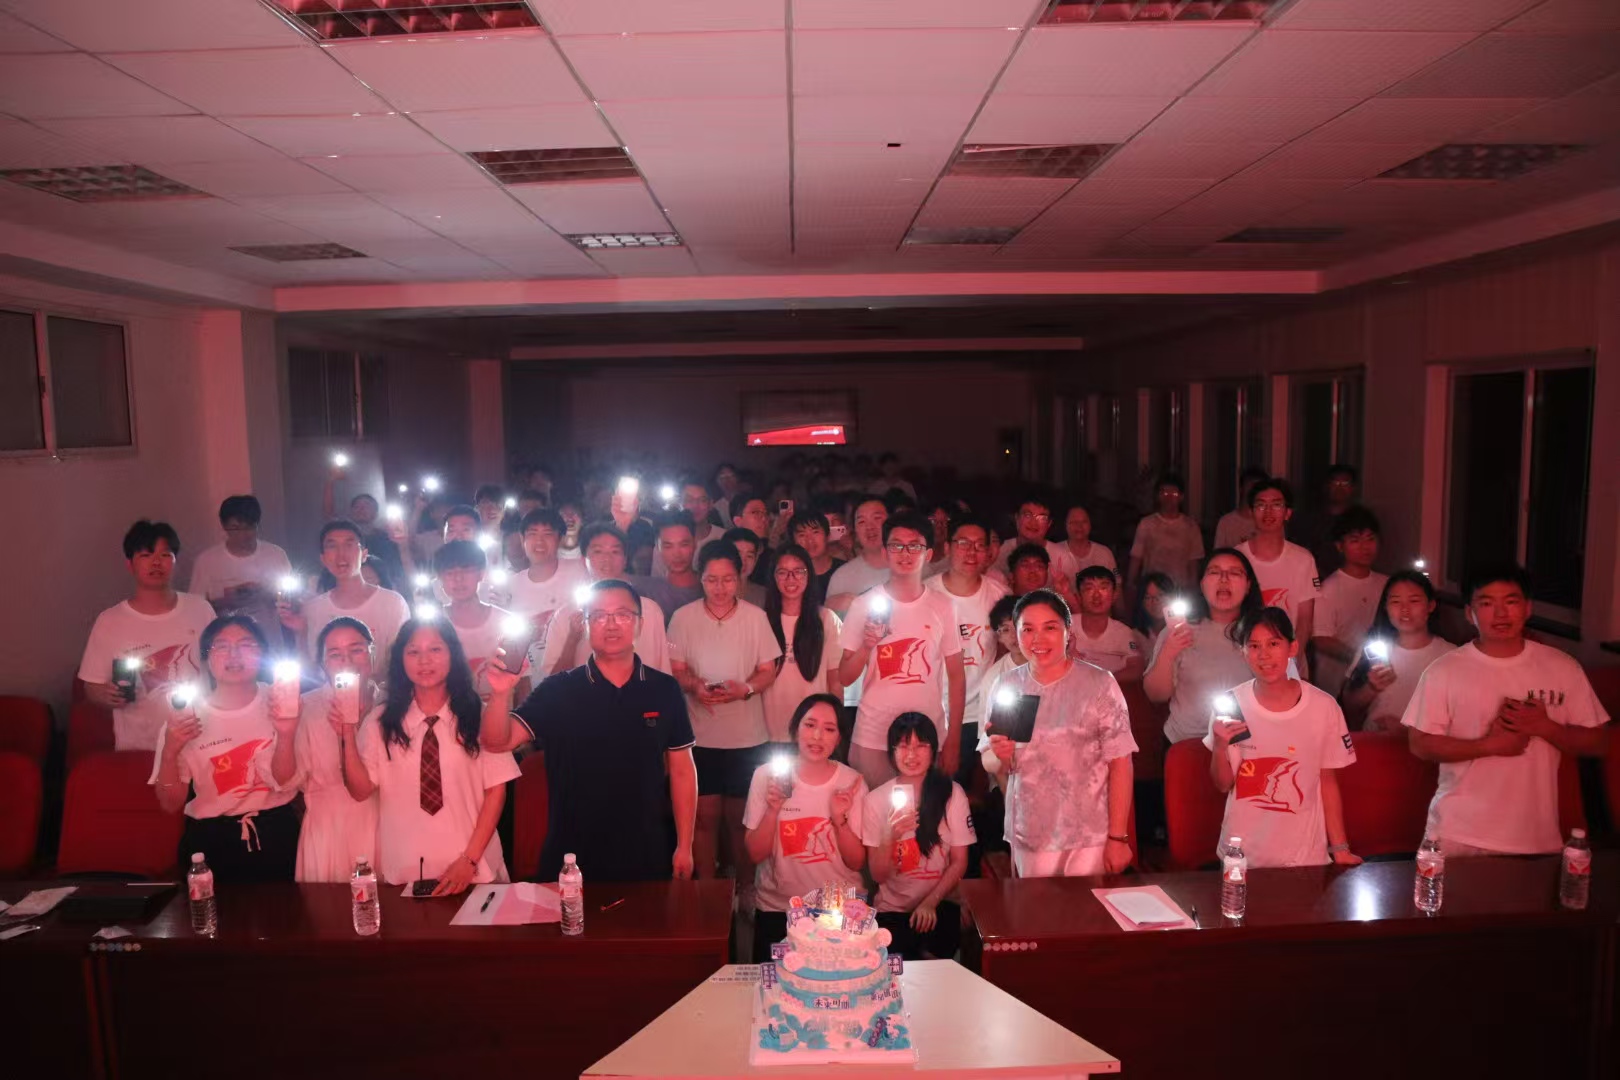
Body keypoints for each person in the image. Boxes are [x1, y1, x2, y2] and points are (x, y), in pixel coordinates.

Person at [484, 579, 698, 882]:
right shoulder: (558, 690)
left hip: (646, 849)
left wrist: (685, 845)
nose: (611, 624)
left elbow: (682, 771)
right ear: (585, 625)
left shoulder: (663, 689)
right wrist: (500, 692)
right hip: (571, 855)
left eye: (622, 614)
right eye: (598, 616)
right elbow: (498, 742)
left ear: (640, 624)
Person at [1402, 564, 1610, 856]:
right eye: (1487, 603)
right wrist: (1490, 745)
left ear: (1527, 608)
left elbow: (1599, 742)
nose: (1500, 614)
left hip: (1536, 837)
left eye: (1511, 602)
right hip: (1458, 835)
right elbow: (1420, 744)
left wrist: (1545, 727)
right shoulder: (1444, 671)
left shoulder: (1563, 668)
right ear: (1469, 613)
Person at [339, 616, 519, 892]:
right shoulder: (381, 721)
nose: (424, 661)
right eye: (413, 652)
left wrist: (469, 860)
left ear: (452, 654)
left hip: (476, 868)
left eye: (435, 649)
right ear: (400, 660)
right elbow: (360, 791)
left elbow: (496, 791)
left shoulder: (479, 715)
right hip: (407, 869)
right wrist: (347, 731)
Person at [979, 590, 1137, 877]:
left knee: (1086, 905)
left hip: (1089, 834)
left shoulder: (1099, 683)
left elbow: (1120, 762)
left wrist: (1118, 837)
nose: (1038, 639)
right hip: (1031, 831)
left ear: (1068, 631)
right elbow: (991, 760)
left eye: (1049, 628)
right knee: (1037, 905)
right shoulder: (1008, 686)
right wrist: (1000, 755)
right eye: (1028, 629)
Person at [1206, 606, 1361, 868]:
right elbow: (1223, 784)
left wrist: (1340, 849)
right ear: (1243, 652)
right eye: (1254, 646)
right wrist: (1220, 746)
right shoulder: (1231, 705)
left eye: (1273, 643)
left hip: (1304, 856)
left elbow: (1327, 781)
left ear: (1292, 647)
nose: (1264, 654)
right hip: (1242, 854)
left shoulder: (1323, 706)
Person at [149, 615, 301, 881]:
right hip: (212, 839)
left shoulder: (284, 701)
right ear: (206, 659)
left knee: (286, 908)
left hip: (277, 830)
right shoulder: (185, 717)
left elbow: (288, 781)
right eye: (221, 646)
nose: (234, 655)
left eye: (246, 645)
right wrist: (170, 752)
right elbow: (170, 803)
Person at [668, 541, 782, 881]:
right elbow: (675, 668)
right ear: (700, 579)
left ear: (740, 577)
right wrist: (695, 685)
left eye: (728, 579)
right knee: (703, 818)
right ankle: (707, 890)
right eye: (712, 580)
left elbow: (768, 670)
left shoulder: (755, 617)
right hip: (699, 736)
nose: (720, 588)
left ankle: (743, 889)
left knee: (740, 819)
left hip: (747, 736)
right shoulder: (684, 617)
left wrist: (745, 689)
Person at [839, 512, 965, 786]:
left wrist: (953, 737)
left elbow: (956, 674)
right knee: (873, 809)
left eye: (914, 546)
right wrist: (867, 647)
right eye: (896, 545)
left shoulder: (943, 606)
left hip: (927, 733)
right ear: (885, 552)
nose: (905, 553)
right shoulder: (863, 605)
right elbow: (845, 677)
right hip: (873, 734)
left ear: (928, 554)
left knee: (926, 810)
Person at [742, 694, 868, 960]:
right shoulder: (767, 776)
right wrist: (773, 809)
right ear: (795, 728)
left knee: (841, 983)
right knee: (776, 984)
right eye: (810, 725)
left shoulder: (852, 782)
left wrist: (839, 821)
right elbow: (754, 854)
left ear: (839, 738)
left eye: (829, 729)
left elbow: (857, 862)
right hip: (779, 909)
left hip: (839, 912)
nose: (817, 736)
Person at [80, 520, 217, 751]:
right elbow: (91, 686)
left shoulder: (200, 609)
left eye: (165, 555)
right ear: (130, 564)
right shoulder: (110, 621)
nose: (156, 562)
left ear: (175, 561)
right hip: (141, 746)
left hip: (201, 740)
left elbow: (218, 667)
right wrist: (107, 694)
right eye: (146, 555)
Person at [864, 713, 973, 960]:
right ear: (892, 752)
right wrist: (890, 835)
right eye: (903, 746)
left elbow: (959, 861)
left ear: (933, 751)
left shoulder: (951, 793)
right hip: (893, 909)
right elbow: (878, 875)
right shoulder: (875, 800)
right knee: (900, 967)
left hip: (941, 902)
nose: (911, 755)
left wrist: (930, 902)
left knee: (935, 958)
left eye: (921, 746)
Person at [1143, 549, 1262, 744]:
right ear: (1201, 584)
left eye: (1234, 573)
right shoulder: (1179, 629)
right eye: (1214, 572)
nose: (1224, 579)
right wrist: (1169, 651)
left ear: (1248, 585)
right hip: (1186, 742)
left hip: (1247, 744)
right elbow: (1156, 695)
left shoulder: (1262, 632)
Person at [294, 617, 380, 883]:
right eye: (334, 654)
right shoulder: (305, 708)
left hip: (386, 827)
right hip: (328, 831)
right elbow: (287, 781)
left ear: (372, 654)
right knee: (329, 907)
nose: (347, 660)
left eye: (357, 649)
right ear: (322, 664)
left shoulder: (392, 704)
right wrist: (285, 733)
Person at [925, 515, 1009, 773]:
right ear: (947, 547)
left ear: (988, 552)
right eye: (963, 543)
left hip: (979, 712)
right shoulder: (926, 593)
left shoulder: (999, 595)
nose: (971, 551)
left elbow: (1007, 649)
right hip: (931, 708)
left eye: (979, 545)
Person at [537, 524, 669, 677]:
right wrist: (572, 640)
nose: (607, 559)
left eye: (615, 551)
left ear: (625, 560)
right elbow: (552, 683)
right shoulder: (565, 615)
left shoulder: (650, 610)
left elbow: (663, 671)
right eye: (598, 551)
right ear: (583, 560)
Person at [284, 520, 411, 676]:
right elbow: (310, 671)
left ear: (364, 554)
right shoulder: (312, 609)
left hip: (381, 691)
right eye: (332, 546)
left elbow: (402, 659)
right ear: (323, 559)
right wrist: (300, 633)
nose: (341, 554)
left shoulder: (392, 603)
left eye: (349, 545)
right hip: (329, 691)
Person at [1341, 571, 1456, 731]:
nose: (1404, 609)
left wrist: (1406, 732)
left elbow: (1459, 719)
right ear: (1386, 607)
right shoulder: (1373, 650)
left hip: (1425, 746)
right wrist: (1372, 687)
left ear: (1431, 605)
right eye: (1395, 601)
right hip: (1376, 741)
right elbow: (1348, 707)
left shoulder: (1450, 656)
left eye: (1414, 601)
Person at [761, 544, 844, 751]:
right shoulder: (760, 620)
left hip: (815, 734)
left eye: (799, 571)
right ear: (773, 577)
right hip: (768, 732)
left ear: (809, 575)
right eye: (783, 572)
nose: (791, 579)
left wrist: (836, 726)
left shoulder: (826, 620)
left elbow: (835, 681)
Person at [1237, 478, 1320, 681]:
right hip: (1244, 662)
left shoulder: (1303, 559)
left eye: (1276, 505)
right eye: (1261, 505)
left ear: (1287, 513)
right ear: (1251, 512)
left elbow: (1305, 619)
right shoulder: (1237, 558)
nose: (1268, 512)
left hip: (1290, 663)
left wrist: (1291, 658)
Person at [188, 495, 293, 639]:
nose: (243, 535)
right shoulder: (207, 561)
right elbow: (195, 608)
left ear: (257, 524)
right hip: (225, 640)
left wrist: (269, 594)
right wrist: (224, 602)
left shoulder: (276, 555)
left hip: (269, 639)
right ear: (224, 526)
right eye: (235, 528)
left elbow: (292, 600)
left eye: (249, 527)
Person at [1310, 507, 1388, 698]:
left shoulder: (1387, 584)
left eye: (1370, 539)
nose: (1365, 547)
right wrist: (1360, 659)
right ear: (1340, 546)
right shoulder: (1329, 588)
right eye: (1355, 540)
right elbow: (1321, 638)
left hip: (1379, 681)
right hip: (1337, 683)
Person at [434, 539, 526, 701]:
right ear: (440, 579)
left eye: (466, 570)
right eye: (450, 573)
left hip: (502, 713)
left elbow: (524, 681)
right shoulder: (431, 627)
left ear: (481, 574)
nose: (458, 579)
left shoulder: (506, 622)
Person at [505, 507, 589, 667]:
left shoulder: (580, 569)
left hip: (579, 670)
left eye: (548, 534)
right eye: (532, 534)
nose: (539, 541)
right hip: (532, 673)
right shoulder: (511, 585)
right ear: (522, 539)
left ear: (560, 539)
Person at [1127, 472, 1204, 595]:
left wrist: (1193, 589)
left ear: (1181, 497)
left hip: (1179, 589)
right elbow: (1136, 556)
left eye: (1174, 494)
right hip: (1152, 587)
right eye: (1164, 493)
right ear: (1158, 496)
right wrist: (1130, 582)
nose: (1169, 498)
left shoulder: (1191, 527)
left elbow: (1193, 561)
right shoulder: (1147, 524)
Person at [1071, 566, 1147, 681]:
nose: (1096, 595)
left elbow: (1137, 668)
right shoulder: (1065, 627)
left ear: (1114, 595)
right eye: (1089, 589)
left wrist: (1103, 682)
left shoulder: (1124, 633)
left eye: (1103, 588)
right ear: (1079, 596)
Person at [991, 494, 1077, 594]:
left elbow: (1074, 597)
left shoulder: (1063, 557)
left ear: (1049, 523)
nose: (1033, 522)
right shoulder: (1000, 551)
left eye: (1042, 518)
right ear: (1016, 518)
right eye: (1028, 515)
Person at [1291, 463, 1361, 578]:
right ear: (1326, 486)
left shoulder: (1360, 520)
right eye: (1335, 483)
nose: (1340, 487)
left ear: (1353, 488)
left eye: (1345, 483)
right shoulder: (1310, 519)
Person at [633, 515, 704, 624]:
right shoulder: (647, 590)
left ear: (695, 544)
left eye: (684, 544)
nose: (677, 554)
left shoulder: (710, 585)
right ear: (658, 547)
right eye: (668, 546)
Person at [826, 497, 890, 614]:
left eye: (877, 518)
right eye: (861, 522)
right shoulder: (841, 578)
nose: (870, 527)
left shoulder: (914, 568)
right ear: (854, 530)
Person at [788, 508, 845, 607]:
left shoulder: (843, 571)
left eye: (815, 532)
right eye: (802, 535)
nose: (809, 540)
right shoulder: (790, 577)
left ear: (827, 536)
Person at [1214, 466, 1269, 551]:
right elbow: (1219, 555)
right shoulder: (1226, 523)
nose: (1254, 491)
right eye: (1251, 485)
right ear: (1241, 488)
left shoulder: (1271, 522)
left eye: (1259, 487)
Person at [1063, 504, 1117, 580]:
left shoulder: (1105, 553)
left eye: (1084, 522)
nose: (1079, 526)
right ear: (1066, 525)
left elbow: (1117, 581)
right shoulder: (1053, 552)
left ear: (1090, 524)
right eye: (1074, 522)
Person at [723, 527, 769, 607]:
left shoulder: (764, 596)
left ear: (756, 559)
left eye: (749, 556)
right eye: (738, 554)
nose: (743, 561)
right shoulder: (709, 591)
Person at [1131, 571, 1175, 655]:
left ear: (1172, 597)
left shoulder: (1184, 631)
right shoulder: (1134, 636)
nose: (1155, 601)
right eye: (1148, 597)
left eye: (1161, 595)